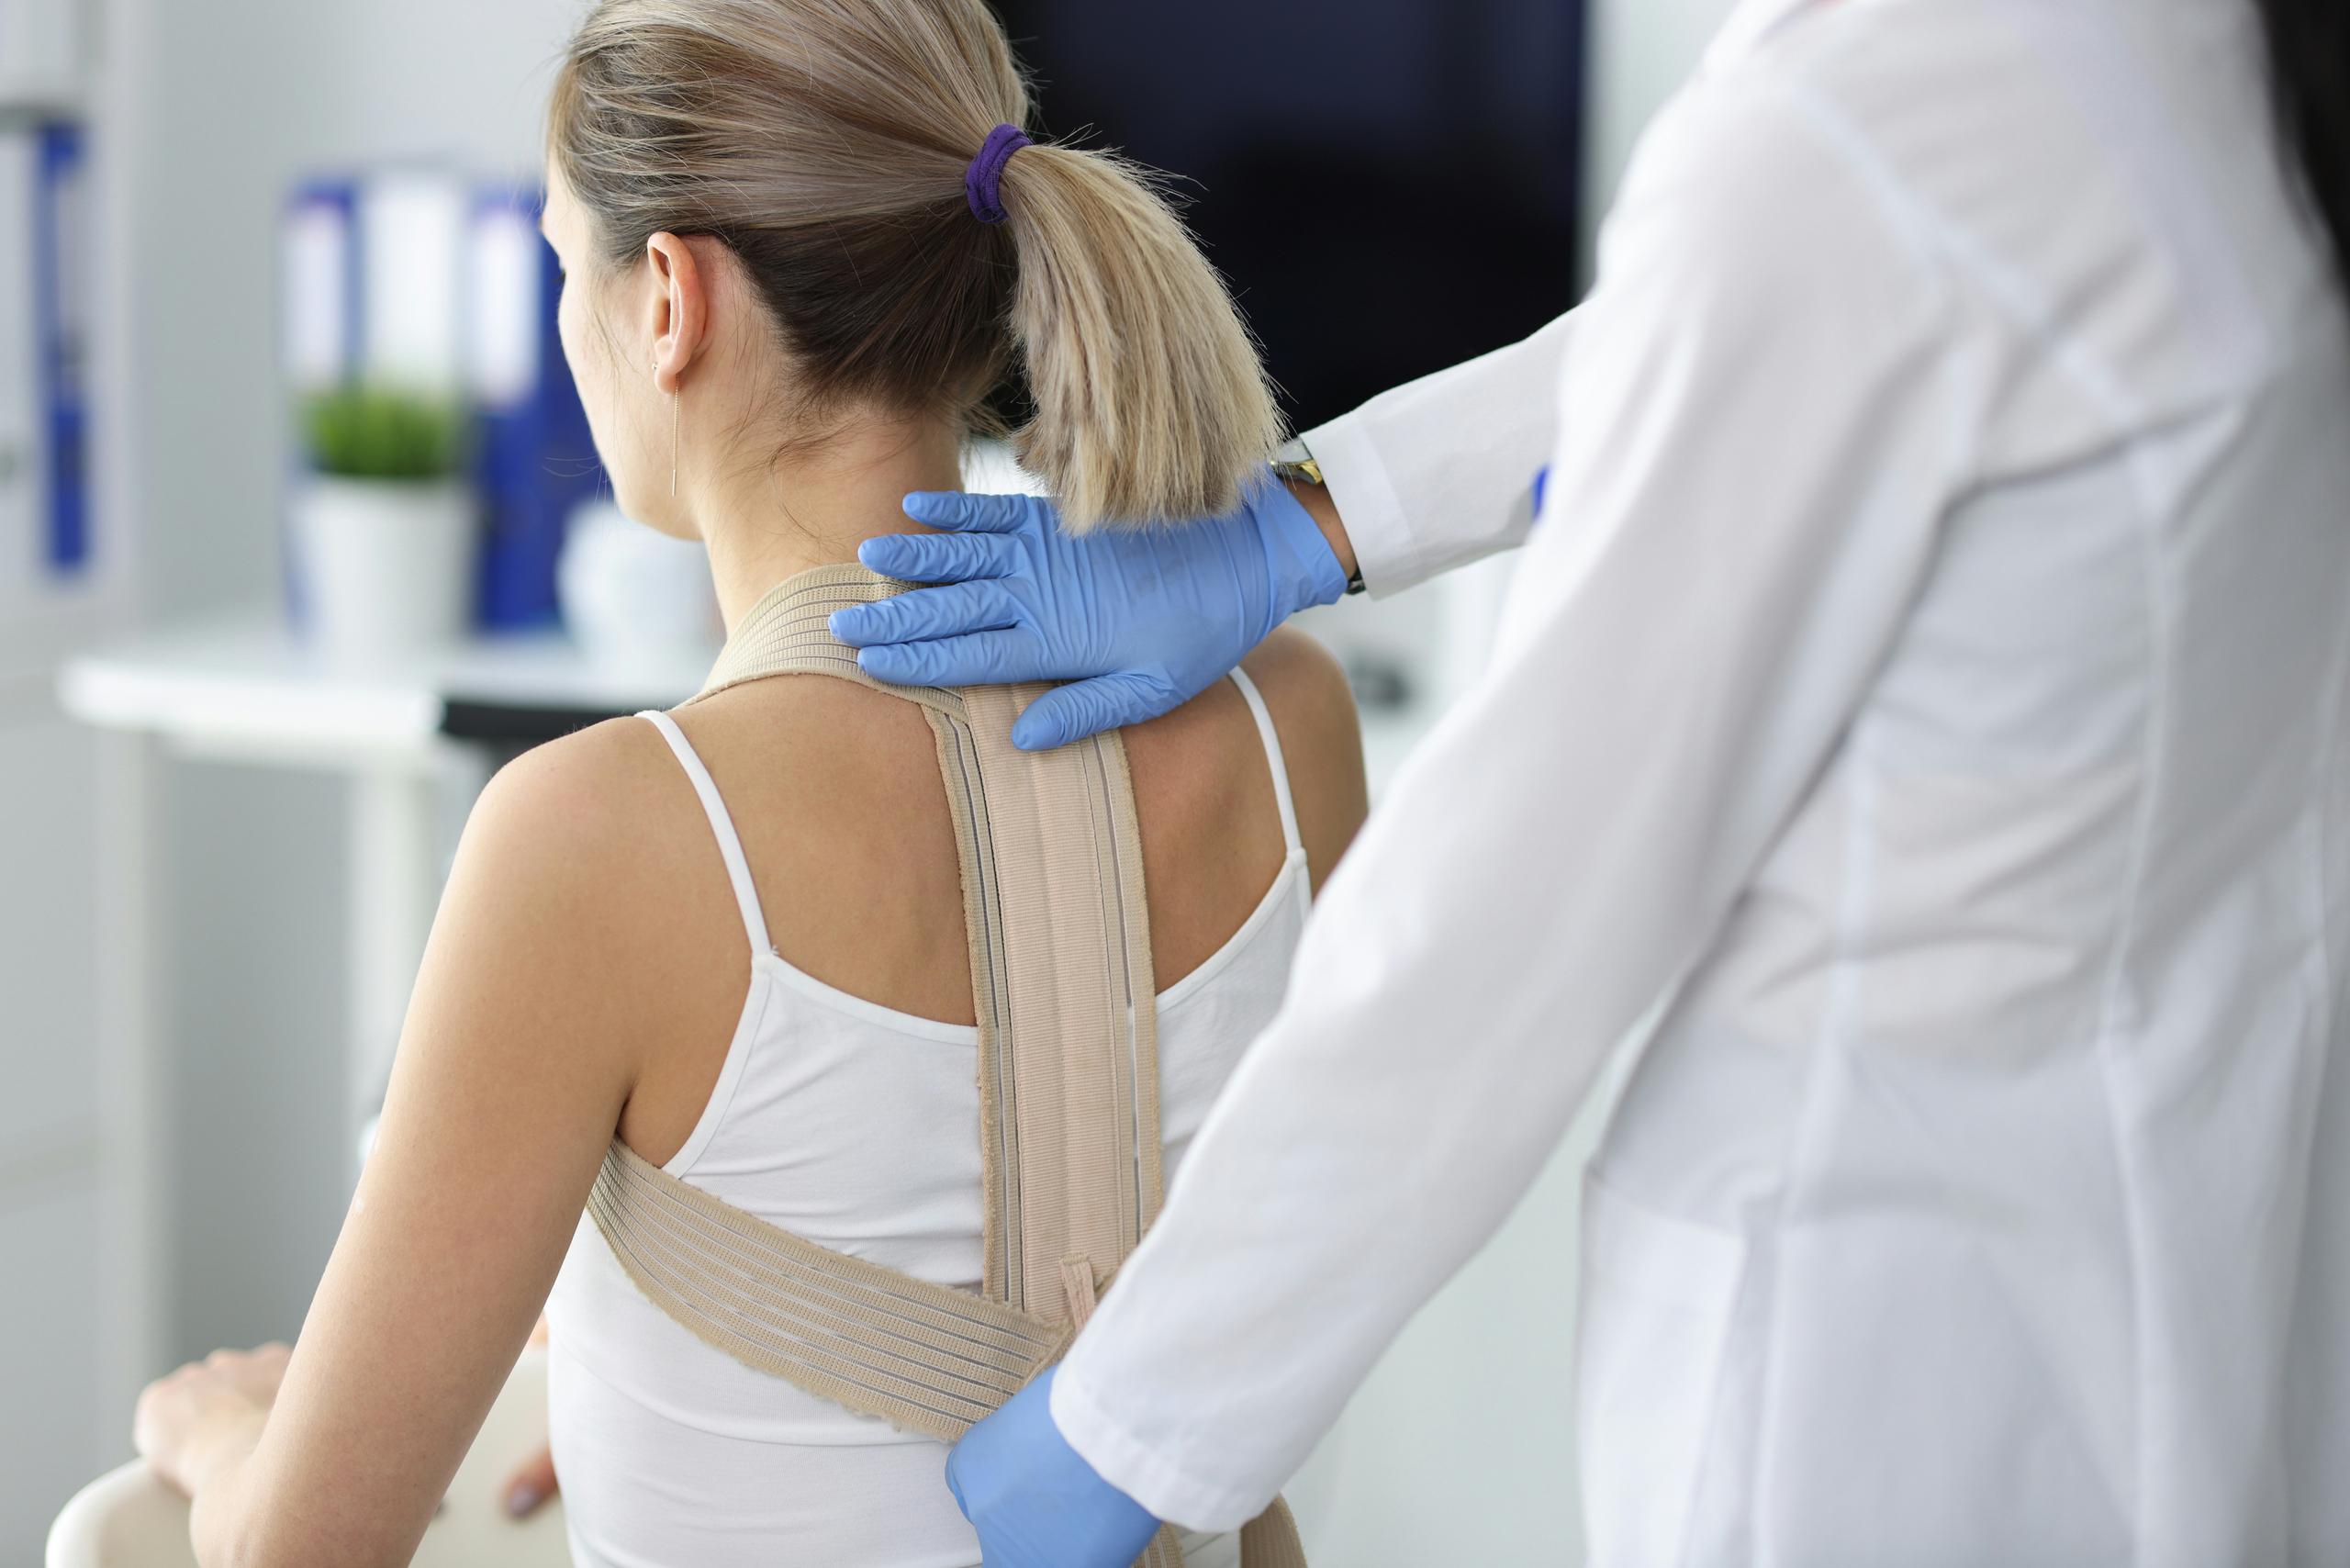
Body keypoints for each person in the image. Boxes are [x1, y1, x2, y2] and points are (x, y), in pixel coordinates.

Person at [836, 0, 2350, 1561]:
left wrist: (1131, 1422)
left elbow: (1509, 916)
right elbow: (1783, 316)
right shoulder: (2159, 61)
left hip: (1890, 1379)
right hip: (2194, 1251)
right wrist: (1315, 516)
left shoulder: (1880, 134)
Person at [124, 3, 1368, 1563]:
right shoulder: (1289, 723)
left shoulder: (601, 838)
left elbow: (294, 1551)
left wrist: (223, 1429)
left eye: (560, 255)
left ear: (666, 301)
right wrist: (664, 1344)